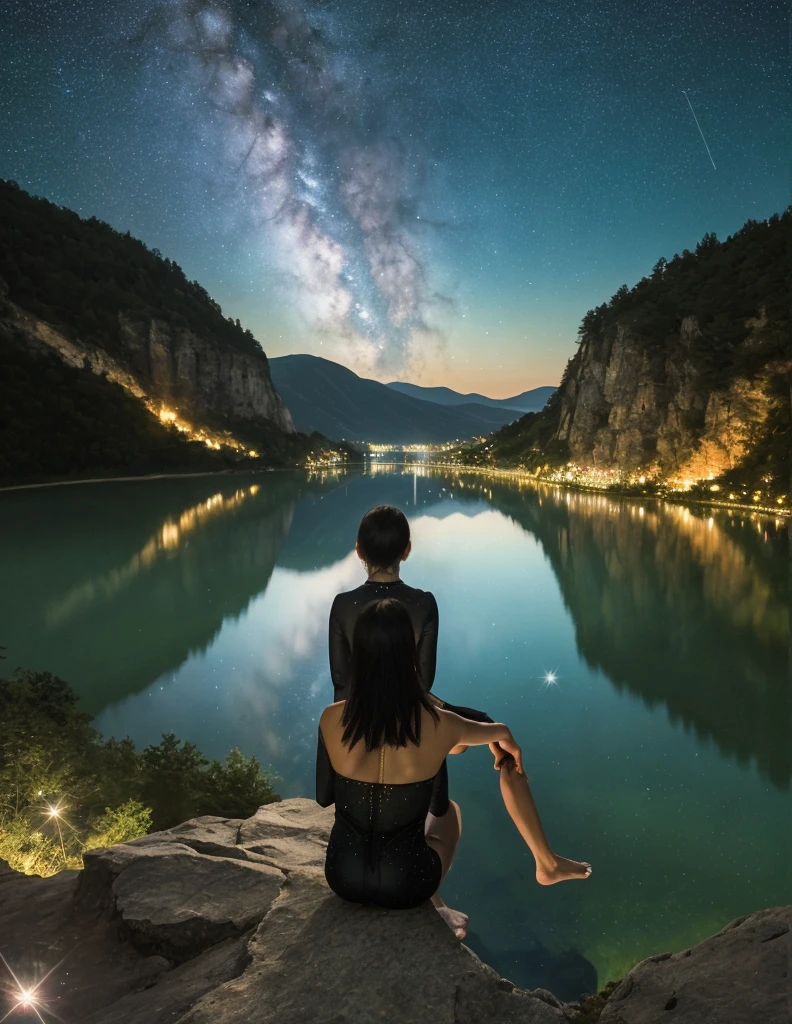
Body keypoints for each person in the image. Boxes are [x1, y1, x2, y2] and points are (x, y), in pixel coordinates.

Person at [317, 598, 528, 935]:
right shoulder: (439, 724)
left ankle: (433, 903)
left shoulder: (330, 719)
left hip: (341, 876)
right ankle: (436, 906)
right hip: (406, 886)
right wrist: (506, 740)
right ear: (410, 653)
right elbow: (494, 731)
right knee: (450, 816)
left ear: (359, 653)